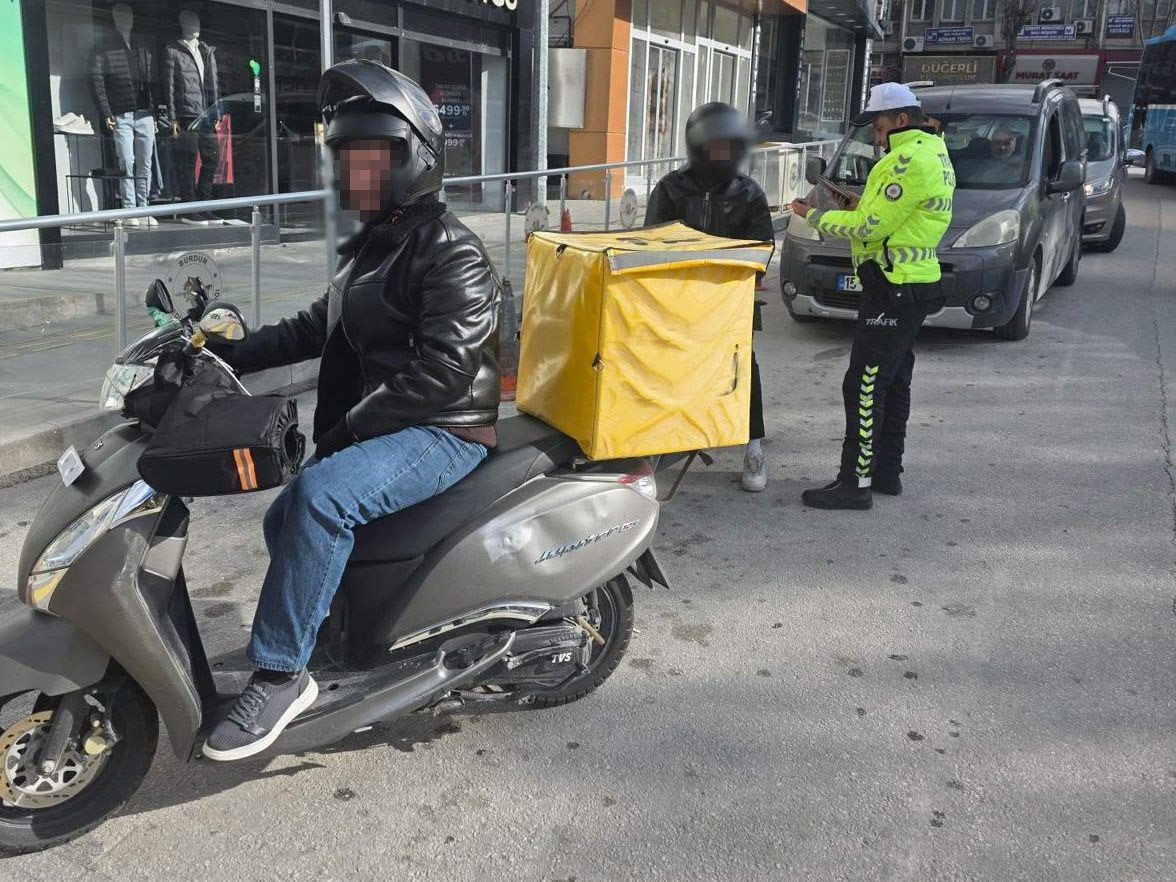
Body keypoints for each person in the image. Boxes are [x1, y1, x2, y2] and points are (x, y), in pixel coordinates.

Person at [202, 59, 501, 761]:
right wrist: (229, 349)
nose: (353, 174)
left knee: (319, 499)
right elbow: (315, 327)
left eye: (370, 158)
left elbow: (445, 371)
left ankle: (280, 676)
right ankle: (329, 630)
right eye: (346, 158)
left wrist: (348, 429)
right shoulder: (374, 246)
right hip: (394, 419)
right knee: (285, 515)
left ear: (414, 161)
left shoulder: (451, 249)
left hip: (444, 425)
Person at [789, 82, 955, 510]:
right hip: (913, 282)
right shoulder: (935, 150)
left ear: (901, 120)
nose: (876, 138)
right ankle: (886, 474)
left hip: (892, 285)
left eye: (879, 128)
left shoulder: (905, 159)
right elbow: (892, 216)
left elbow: (871, 228)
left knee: (863, 385)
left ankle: (854, 484)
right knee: (895, 381)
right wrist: (856, 205)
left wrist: (818, 215)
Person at [645, 102, 775, 492]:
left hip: (730, 303)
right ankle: (657, 445)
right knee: (670, 371)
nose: (723, 154)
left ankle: (753, 446)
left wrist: (727, 273)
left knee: (742, 371)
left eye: (730, 147)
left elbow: (762, 251)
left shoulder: (748, 193)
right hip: (679, 302)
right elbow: (652, 243)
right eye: (715, 146)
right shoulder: (671, 187)